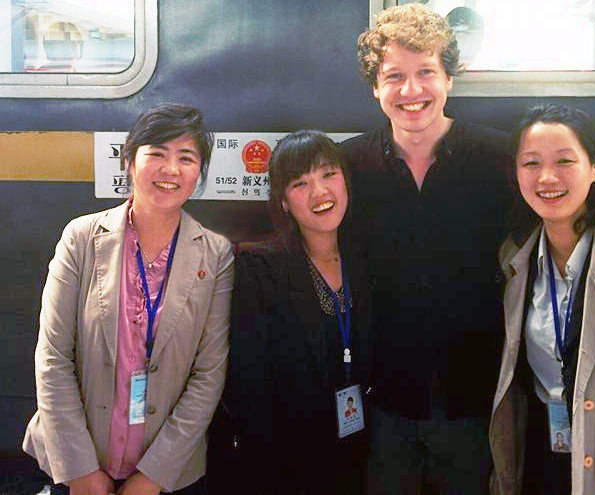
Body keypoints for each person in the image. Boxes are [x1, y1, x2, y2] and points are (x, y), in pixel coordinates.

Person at [340, 3, 512, 493]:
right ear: (375, 87)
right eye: (394, 76)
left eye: (426, 73)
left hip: (476, 398)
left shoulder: (499, 158)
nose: (411, 91)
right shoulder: (348, 166)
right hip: (381, 400)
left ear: (449, 79)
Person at [22, 103, 234, 495]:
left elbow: (208, 374)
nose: (171, 169)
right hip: (74, 464)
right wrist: (81, 470)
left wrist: (153, 477)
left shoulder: (216, 254)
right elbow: (52, 357)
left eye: (186, 158)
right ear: (131, 161)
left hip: (167, 473)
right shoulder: (81, 238)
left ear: (198, 173)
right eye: (157, 153)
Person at [225, 130, 373, 494]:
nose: (320, 192)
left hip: (365, 452)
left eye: (328, 174)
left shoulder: (369, 260)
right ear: (285, 202)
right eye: (300, 183)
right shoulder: (260, 267)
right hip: (288, 460)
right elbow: (249, 385)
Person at [490, 104, 595, 494]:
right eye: (530, 163)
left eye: (565, 160)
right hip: (540, 450)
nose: (546, 178)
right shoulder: (513, 262)